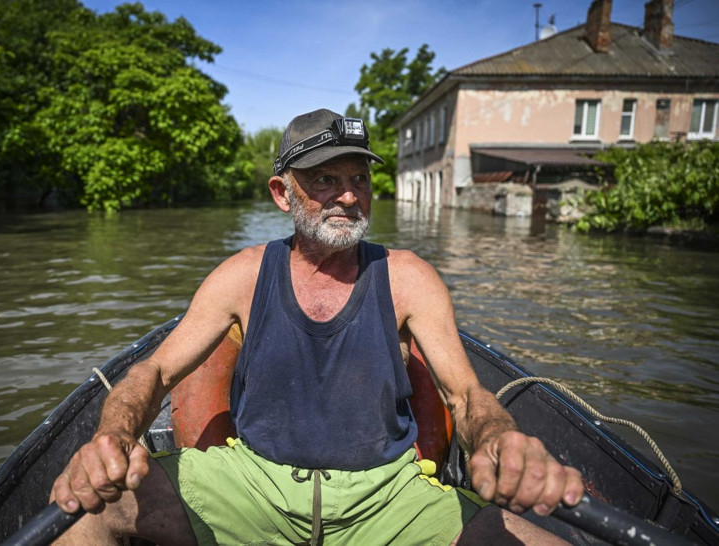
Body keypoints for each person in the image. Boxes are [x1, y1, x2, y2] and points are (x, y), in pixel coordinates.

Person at [50, 108, 584, 545]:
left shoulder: (408, 278)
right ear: (283, 194)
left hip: (387, 499)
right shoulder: (242, 275)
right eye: (325, 180)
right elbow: (155, 371)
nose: (349, 196)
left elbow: (466, 397)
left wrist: (500, 438)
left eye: (358, 178)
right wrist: (112, 436)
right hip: (252, 485)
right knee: (84, 512)